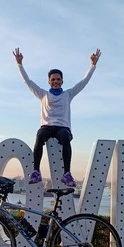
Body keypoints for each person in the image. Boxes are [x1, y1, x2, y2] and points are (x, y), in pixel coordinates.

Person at [13, 47, 101, 186]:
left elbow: (84, 82)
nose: (56, 81)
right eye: (53, 79)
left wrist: (93, 65)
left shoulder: (68, 94)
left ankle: (67, 173)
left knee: (66, 137)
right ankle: (36, 171)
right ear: (49, 81)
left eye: (58, 79)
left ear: (62, 81)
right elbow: (27, 81)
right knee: (40, 135)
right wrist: (19, 64)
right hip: (47, 127)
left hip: (62, 128)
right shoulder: (43, 95)